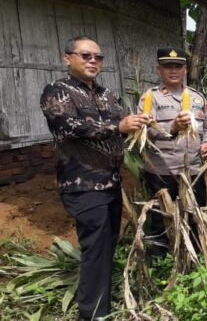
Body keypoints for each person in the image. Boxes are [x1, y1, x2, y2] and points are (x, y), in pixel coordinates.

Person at [40, 35, 148, 320]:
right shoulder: (56, 91)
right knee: (97, 249)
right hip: (83, 184)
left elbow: (127, 123)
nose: (92, 61)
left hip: (110, 183)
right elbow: (70, 126)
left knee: (105, 245)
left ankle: (101, 304)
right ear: (68, 58)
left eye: (97, 57)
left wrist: (154, 126)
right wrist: (119, 125)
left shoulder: (106, 94)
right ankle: (93, 314)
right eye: (85, 55)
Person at [138, 47, 207, 258]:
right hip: (161, 171)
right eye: (167, 66)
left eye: (178, 66)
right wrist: (172, 128)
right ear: (159, 69)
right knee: (160, 219)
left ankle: (195, 257)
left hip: (193, 170)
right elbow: (142, 132)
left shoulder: (198, 98)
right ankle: (160, 262)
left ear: (185, 69)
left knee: (195, 215)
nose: (173, 70)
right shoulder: (150, 98)